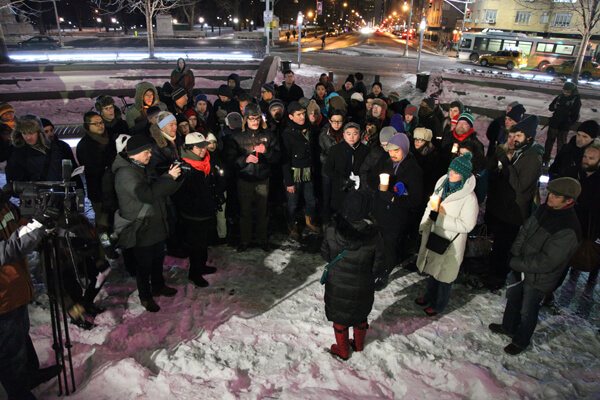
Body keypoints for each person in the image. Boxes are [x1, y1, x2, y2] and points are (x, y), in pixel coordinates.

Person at [489, 177, 581, 355]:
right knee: (514, 297)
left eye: (556, 195)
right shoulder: (546, 209)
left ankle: (521, 341)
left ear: (568, 200)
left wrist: (517, 262)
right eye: (551, 192)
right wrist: (515, 252)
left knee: (528, 311)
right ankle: (508, 326)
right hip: (522, 265)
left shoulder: (569, 229)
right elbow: (525, 229)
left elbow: (548, 261)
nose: (550, 196)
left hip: (539, 277)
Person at [0, 192, 64, 399]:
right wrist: (38, 223)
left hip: (15, 289)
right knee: (10, 356)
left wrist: (39, 217)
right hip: (2, 299)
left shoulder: (3, 205)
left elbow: (19, 226)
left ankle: (31, 374)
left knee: (21, 337)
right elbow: (8, 250)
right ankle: (20, 394)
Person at [112, 135, 183, 312]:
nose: (150, 155)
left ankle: (158, 285)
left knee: (158, 258)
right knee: (144, 265)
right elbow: (146, 194)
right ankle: (145, 296)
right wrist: (169, 177)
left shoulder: (143, 167)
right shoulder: (126, 173)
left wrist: (179, 178)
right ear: (135, 153)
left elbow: (160, 189)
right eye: (146, 152)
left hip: (154, 222)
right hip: (141, 226)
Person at [321, 190, 385, 360]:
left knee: (340, 318)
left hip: (337, 282)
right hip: (362, 283)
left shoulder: (332, 228)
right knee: (360, 314)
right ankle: (358, 345)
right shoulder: (373, 234)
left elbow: (325, 255)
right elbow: (378, 263)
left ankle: (342, 350)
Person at [483, 115, 544, 289]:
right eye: (511, 136)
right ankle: (492, 270)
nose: (512, 140)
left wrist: (505, 162)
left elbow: (520, 186)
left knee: (504, 246)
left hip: (513, 212)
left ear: (529, 138)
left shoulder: (533, 159)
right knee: (497, 244)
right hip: (501, 207)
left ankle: (498, 277)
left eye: (518, 136)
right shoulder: (516, 153)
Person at [415, 153, 478, 315]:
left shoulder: (469, 199)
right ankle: (429, 296)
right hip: (435, 235)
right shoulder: (441, 186)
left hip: (451, 242)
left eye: (455, 172)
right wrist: (424, 225)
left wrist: (441, 219)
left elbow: (467, 225)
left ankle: (439, 304)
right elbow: (430, 207)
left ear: (463, 176)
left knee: (444, 276)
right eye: (450, 170)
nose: (451, 174)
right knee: (433, 269)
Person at [367, 132, 423, 289]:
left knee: (390, 246)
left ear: (404, 150)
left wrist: (394, 198)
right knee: (377, 242)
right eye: (390, 150)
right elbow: (371, 178)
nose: (392, 154)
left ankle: (384, 273)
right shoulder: (384, 162)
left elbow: (415, 200)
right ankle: (373, 268)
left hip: (396, 216)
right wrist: (379, 187)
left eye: (396, 151)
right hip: (379, 211)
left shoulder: (413, 170)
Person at [224, 104, 280, 252]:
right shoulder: (237, 137)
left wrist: (266, 151)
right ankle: (245, 240)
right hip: (245, 180)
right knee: (245, 212)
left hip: (262, 180)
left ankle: (262, 239)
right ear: (245, 120)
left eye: (257, 118)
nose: (254, 121)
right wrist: (245, 160)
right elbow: (230, 161)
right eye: (251, 118)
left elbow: (277, 157)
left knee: (263, 211)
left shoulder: (269, 135)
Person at [172, 133, 223, 288]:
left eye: (204, 145)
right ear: (189, 148)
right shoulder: (183, 166)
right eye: (199, 146)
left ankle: (201, 266)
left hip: (206, 210)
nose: (203, 149)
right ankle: (194, 273)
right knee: (196, 245)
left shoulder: (206, 161)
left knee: (204, 242)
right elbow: (177, 194)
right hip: (193, 214)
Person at [281, 101, 320, 238]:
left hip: (308, 172)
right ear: (291, 117)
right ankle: (292, 224)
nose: (302, 117)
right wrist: (289, 181)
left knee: (310, 199)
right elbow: (285, 159)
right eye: (298, 114)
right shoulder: (287, 134)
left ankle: (309, 221)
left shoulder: (309, 129)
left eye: (303, 113)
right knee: (292, 203)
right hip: (294, 173)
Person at [76, 111, 118, 235]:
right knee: (103, 223)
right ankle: (105, 248)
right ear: (88, 126)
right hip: (98, 192)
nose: (100, 126)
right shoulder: (84, 145)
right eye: (96, 124)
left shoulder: (109, 140)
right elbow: (93, 169)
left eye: (101, 123)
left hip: (113, 189)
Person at [6, 114, 76, 183]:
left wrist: (79, 190)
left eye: (31, 133)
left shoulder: (59, 147)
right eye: (24, 133)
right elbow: (14, 183)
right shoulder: (18, 155)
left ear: (39, 132)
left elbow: (74, 172)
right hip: (34, 193)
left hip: (61, 193)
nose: (28, 137)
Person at [324, 122, 369, 215]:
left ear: (359, 135)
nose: (351, 137)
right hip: (340, 188)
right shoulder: (335, 150)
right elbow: (328, 169)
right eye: (348, 134)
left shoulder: (366, 150)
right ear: (344, 135)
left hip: (358, 189)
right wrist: (343, 180)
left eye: (355, 134)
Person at [544, 82, 582, 164]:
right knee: (549, 143)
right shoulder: (560, 97)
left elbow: (575, 115)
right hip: (554, 124)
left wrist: (568, 122)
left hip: (564, 126)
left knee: (561, 145)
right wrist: (554, 107)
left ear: (572, 91)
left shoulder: (576, 100)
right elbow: (550, 107)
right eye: (564, 91)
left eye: (568, 92)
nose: (565, 93)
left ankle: (558, 161)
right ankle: (546, 158)